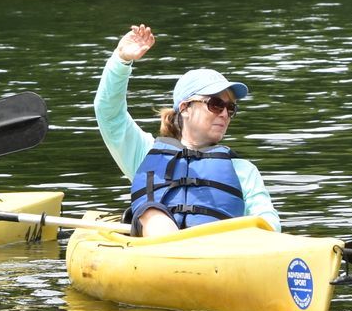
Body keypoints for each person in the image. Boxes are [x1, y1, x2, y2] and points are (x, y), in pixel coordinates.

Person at [95, 24, 280, 236]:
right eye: (215, 104)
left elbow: (268, 220)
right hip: (157, 252)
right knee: (151, 211)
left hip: (221, 254)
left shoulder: (243, 170)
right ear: (185, 108)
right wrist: (121, 61)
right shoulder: (144, 154)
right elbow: (109, 114)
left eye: (230, 108)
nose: (224, 114)